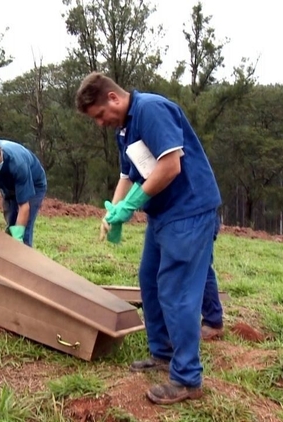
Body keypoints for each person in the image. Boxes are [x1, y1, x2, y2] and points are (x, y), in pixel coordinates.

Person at [75, 72, 223, 405]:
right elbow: (128, 173)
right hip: (163, 214)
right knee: (150, 282)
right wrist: (114, 211)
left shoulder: (151, 110)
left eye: (100, 115)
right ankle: (163, 353)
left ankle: (187, 379)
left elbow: (170, 166)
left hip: (189, 210)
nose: (100, 123)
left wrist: (132, 205)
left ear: (113, 98)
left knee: (178, 291)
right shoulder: (125, 127)